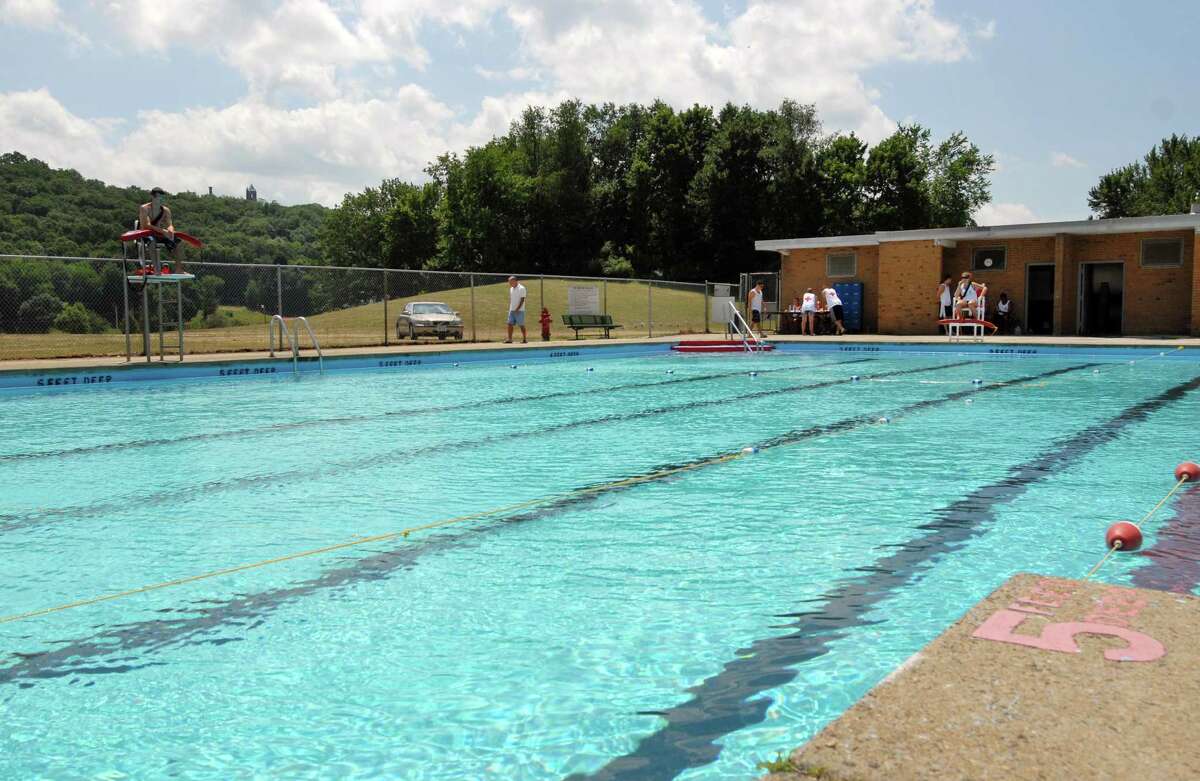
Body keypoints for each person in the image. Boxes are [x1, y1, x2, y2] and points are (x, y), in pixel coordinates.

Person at [138, 187, 184, 272]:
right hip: (146, 234)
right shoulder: (144, 208)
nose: (159, 199)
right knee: (152, 242)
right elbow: (146, 225)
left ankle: (179, 269)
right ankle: (157, 269)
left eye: (161, 196)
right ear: (152, 196)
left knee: (178, 242)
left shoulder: (166, 210)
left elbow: (170, 224)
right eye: (157, 196)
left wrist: (170, 230)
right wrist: (163, 231)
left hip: (159, 234)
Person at [505, 275, 527, 343]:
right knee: (509, 324)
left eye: (511, 282)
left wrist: (517, 309)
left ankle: (524, 339)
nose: (510, 284)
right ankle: (510, 339)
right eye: (509, 282)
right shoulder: (511, 288)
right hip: (512, 310)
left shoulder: (522, 288)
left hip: (520, 310)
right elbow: (512, 299)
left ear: (515, 281)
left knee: (521, 325)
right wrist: (511, 308)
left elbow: (522, 300)